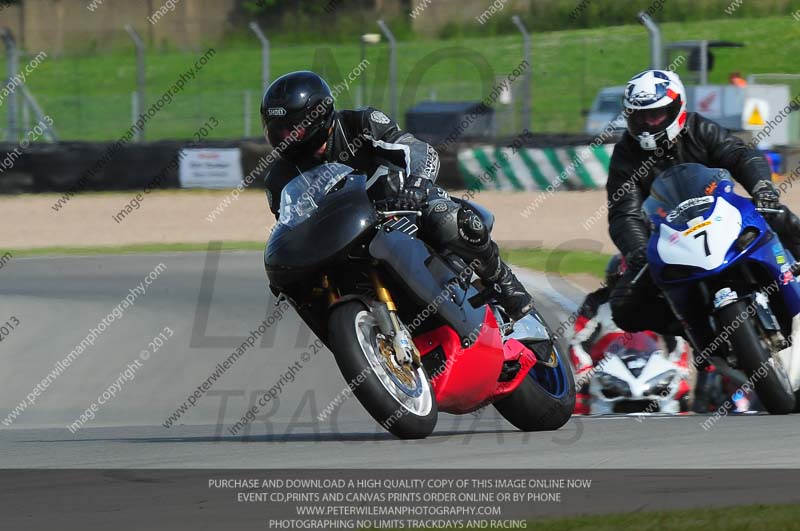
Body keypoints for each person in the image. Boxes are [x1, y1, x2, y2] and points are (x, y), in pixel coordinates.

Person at [260, 70, 533, 319]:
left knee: (445, 218)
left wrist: (414, 187)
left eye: (292, 129)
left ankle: (506, 284)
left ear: (318, 115)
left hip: (403, 207)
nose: (285, 137)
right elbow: (291, 226)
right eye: (277, 130)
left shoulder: (360, 124)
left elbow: (418, 150)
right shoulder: (278, 179)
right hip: (346, 239)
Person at [606, 69, 800, 337]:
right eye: (639, 116)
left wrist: (762, 188)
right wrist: (638, 251)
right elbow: (622, 212)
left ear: (677, 107)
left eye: (655, 114)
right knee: (624, 306)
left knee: (778, 214)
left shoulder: (699, 128)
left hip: (723, 215)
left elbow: (740, 155)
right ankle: (696, 332)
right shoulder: (625, 154)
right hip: (671, 238)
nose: (647, 124)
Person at [569, 255, 691, 414]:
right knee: (577, 402)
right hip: (605, 369)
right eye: (620, 282)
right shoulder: (596, 302)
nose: (625, 287)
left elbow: (677, 337)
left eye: (632, 282)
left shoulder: (656, 301)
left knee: (682, 392)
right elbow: (578, 342)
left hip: (649, 365)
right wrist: (585, 370)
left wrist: (678, 367)